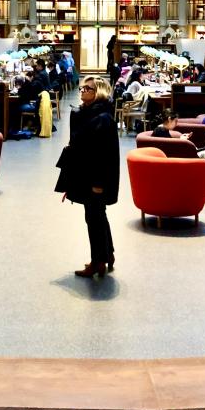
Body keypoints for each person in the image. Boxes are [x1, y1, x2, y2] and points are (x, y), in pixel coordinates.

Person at [55, 77, 119, 279]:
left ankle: (97, 261)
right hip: (85, 173)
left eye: (87, 88)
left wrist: (99, 184)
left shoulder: (102, 118)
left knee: (94, 218)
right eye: (82, 87)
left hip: (94, 178)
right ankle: (107, 255)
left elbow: (104, 155)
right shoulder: (88, 113)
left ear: (98, 92)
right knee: (98, 216)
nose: (82, 91)